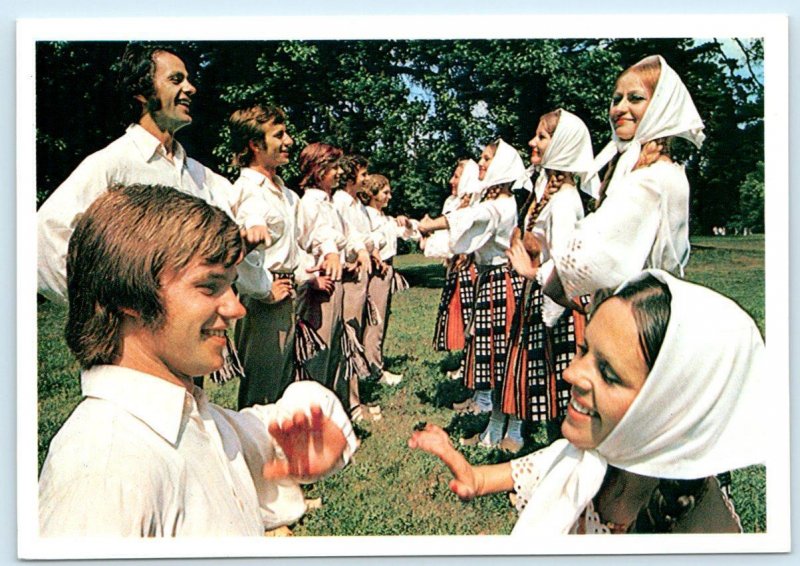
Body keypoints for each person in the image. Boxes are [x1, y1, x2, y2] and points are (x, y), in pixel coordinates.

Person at [38, 184, 357, 537]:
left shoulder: (194, 420)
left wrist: (311, 436)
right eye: (209, 286)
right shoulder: (106, 469)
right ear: (128, 295)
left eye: (233, 286)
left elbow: (274, 425)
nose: (235, 308)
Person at [409, 270, 764, 534]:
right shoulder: (583, 457)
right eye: (584, 350)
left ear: (673, 408)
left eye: (609, 374)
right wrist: (463, 468)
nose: (571, 374)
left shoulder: (704, 531)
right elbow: (486, 479)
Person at [36, 42, 263, 385]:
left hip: (186, 346)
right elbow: (44, 234)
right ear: (143, 92)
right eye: (176, 79)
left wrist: (252, 225)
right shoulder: (112, 164)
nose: (190, 88)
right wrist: (102, 308)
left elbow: (247, 198)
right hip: (134, 354)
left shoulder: (197, 173)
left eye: (188, 79)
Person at [509, 55, 705, 305]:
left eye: (635, 98)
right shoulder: (659, 172)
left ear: (661, 107)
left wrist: (535, 272)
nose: (620, 108)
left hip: (635, 311)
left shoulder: (650, 180)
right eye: (616, 99)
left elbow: (598, 252)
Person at [419, 139, 529, 445]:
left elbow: (471, 219)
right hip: (491, 281)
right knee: (495, 357)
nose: (480, 164)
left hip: (502, 282)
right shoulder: (492, 201)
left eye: (486, 159)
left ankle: (515, 430)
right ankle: (495, 427)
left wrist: (430, 225)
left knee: (505, 358)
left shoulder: (502, 204)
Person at [498, 109, 595, 453]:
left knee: (562, 392)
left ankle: (565, 471)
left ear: (563, 145)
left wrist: (531, 272)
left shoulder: (566, 200)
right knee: (550, 388)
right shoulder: (550, 195)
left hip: (560, 308)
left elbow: (568, 267)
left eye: (542, 136)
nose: (532, 142)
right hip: (543, 298)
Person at [226, 102, 310, 408]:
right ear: (255, 145)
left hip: (288, 293)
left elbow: (292, 247)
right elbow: (246, 246)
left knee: (282, 380)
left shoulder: (285, 193)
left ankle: (276, 449)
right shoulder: (248, 189)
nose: (288, 141)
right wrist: (263, 291)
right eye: (279, 135)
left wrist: (305, 275)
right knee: (261, 388)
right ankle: (254, 453)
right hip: (264, 300)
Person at [295, 143, 374, 422]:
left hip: (336, 282)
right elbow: (302, 246)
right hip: (320, 287)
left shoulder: (330, 204)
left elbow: (347, 235)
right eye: (333, 166)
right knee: (319, 351)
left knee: (336, 348)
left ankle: (334, 411)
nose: (340, 172)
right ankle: (314, 417)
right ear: (317, 170)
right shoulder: (308, 203)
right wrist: (311, 279)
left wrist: (360, 250)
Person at [360, 173, 420, 384]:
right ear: (372, 194)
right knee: (375, 319)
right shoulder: (366, 216)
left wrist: (406, 223)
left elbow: (410, 232)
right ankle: (373, 369)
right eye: (385, 192)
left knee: (381, 317)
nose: (389, 196)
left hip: (386, 269)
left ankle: (374, 363)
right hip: (376, 269)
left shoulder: (384, 218)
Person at [427, 159, 481, 363]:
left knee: (469, 313)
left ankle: (471, 360)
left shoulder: (475, 206)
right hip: (456, 266)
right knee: (458, 310)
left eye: (457, 176)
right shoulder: (453, 203)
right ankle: (465, 360)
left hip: (470, 266)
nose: (451, 180)